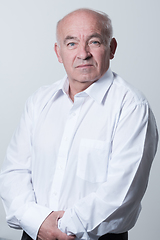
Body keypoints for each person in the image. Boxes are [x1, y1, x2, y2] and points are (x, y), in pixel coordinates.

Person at [0, 8, 158, 240]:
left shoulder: (132, 107)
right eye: (71, 43)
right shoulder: (39, 101)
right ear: (58, 52)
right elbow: (15, 171)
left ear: (111, 48)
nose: (83, 54)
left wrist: (58, 228)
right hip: (35, 233)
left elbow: (121, 195)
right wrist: (38, 222)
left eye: (94, 42)